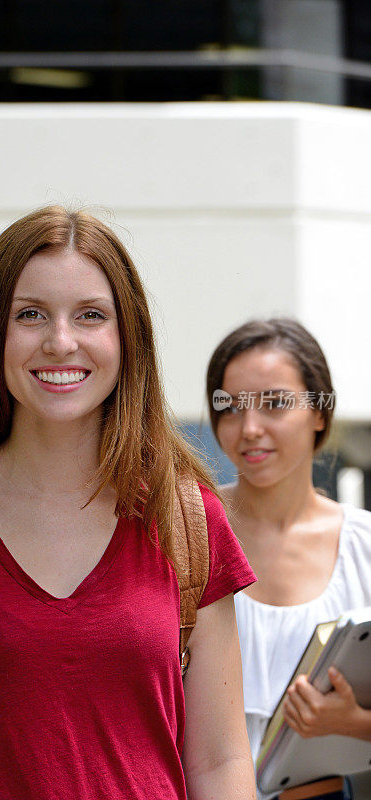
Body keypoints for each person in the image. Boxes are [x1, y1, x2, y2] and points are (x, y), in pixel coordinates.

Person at [0, 206, 257, 800]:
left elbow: (221, 764)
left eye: (90, 315)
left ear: (129, 339)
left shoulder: (189, 518)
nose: (60, 341)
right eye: (30, 315)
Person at [206, 318, 371, 800]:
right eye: (230, 407)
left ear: (320, 413)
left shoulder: (363, 546)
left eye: (275, 403)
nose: (249, 428)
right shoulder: (184, 528)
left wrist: (355, 723)